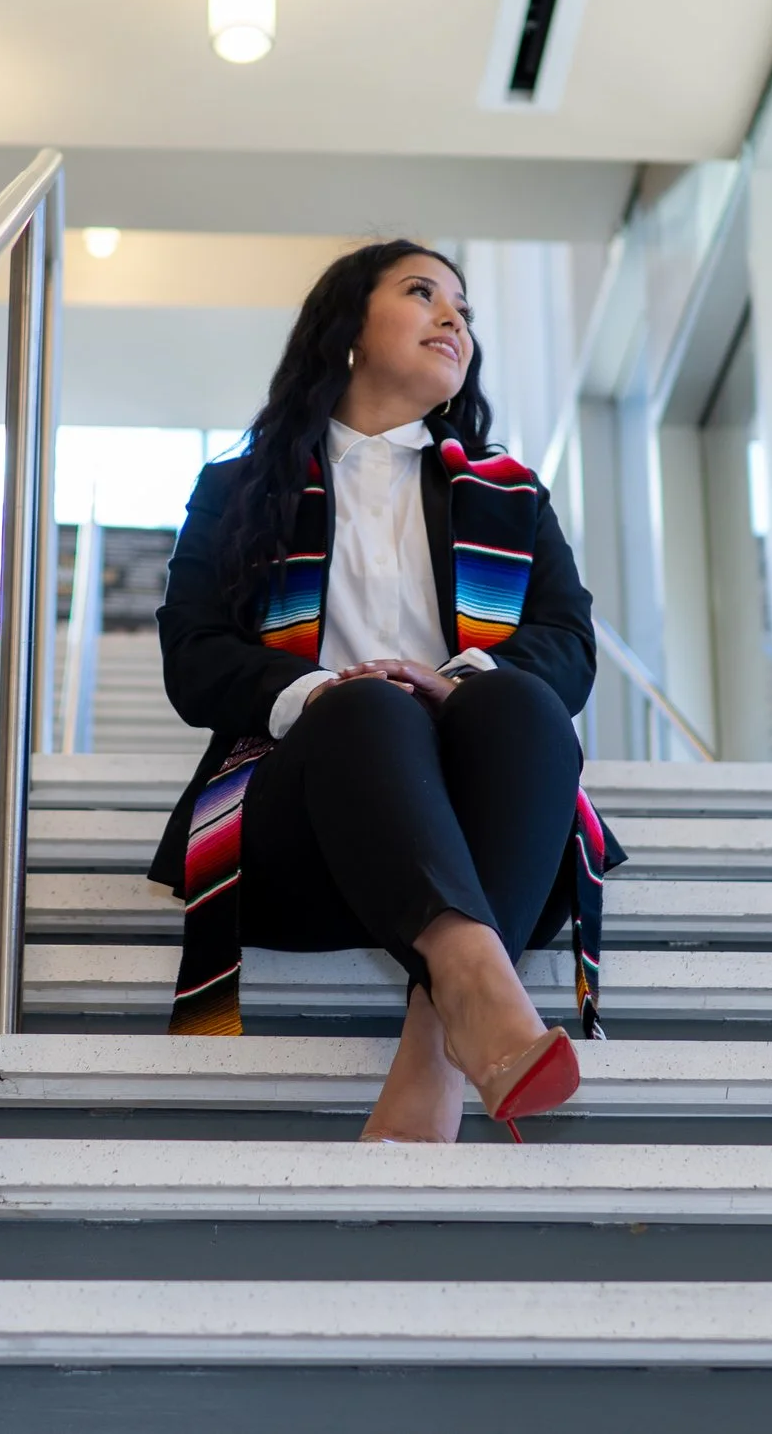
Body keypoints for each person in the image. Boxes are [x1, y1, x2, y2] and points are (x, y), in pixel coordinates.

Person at [146, 239, 621, 1143]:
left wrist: (454, 685)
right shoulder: (240, 489)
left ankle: (438, 1035)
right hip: (305, 834)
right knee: (364, 704)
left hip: (496, 835)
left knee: (515, 696)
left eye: (465, 309)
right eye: (422, 293)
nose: (455, 319)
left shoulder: (509, 495)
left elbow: (569, 645)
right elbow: (195, 657)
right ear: (348, 328)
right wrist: (324, 690)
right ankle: (473, 998)